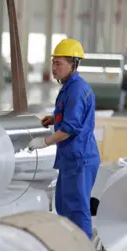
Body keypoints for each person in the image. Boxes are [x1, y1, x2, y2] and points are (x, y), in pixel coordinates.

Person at [28, 38, 100, 239]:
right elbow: (68, 117)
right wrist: (53, 119)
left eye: (58, 63)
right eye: (53, 62)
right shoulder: (68, 87)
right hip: (70, 159)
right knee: (63, 206)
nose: (53, 67)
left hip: (80, 160)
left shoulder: (77, 89)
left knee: (77, 209)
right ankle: (71, 247)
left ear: (73, 64)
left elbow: (70, 128)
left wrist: (44, 142)